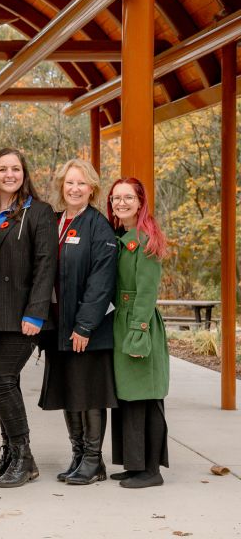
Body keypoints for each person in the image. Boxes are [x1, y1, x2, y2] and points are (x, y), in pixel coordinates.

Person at [0, 148, 58, 488]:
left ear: (24, 173)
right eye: (2, 169)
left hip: (22, 314)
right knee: (2, 384)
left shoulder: (38, 213)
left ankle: (24, 457)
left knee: (0, 380)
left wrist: (36, 313)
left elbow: (45, 266)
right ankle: (11, 452)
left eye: (15, 168)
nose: (9, 174)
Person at [39, 158, 118, 486]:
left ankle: (93, 460)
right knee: (69, 391)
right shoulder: (55, 221)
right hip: (58, 326)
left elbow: (101, 282)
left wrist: (84, 326)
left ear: (92, 189)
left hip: (86, 329)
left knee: (89, 394)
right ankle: (77, 455)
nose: (74, 189)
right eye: (69, 183)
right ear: (61, 185)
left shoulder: (98, 227)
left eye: (81, 183)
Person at [107, 177, 170, 489]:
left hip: (138, 321)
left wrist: (138, 331)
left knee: (145, 396)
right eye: (116, 198)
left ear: (140, 201)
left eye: (128, 197)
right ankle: (134, 465)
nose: (121, 203)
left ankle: (151, 470)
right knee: (129, 396)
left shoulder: (145, 239)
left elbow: (147, 292)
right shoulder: (122, 236)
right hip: (122, 320)